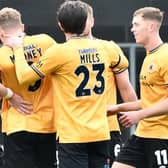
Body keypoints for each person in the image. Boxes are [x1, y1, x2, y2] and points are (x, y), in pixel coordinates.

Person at [5, 1, 130, 168]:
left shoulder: (59, 53)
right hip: (101, 131)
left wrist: (18, 49)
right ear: (88, 21)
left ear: (61, 26)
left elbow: (25, 77)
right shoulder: (108, 48)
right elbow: (125, 81)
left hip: (72, 135)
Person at [108, 7, 168, 168]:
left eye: (136, 24)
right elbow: (151, 100)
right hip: (142, 134)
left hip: (162, 136)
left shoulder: (165, 55)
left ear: (151, 27)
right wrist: (116, 108)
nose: (132, 29)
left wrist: (139, 115)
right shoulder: (150, 57)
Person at [0, 7, 57, 168]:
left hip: (17, 123)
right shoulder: (45, 42)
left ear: (1, 34)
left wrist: (10, 95)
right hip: (48, 123)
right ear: (22, 27)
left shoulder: (2, 55)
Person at [86, 5, 137, 166]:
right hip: (72, 131)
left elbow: (125, 88)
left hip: (106, 127)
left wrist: (140, 117)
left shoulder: (109, 48)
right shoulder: (60, 52)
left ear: (92, 21)